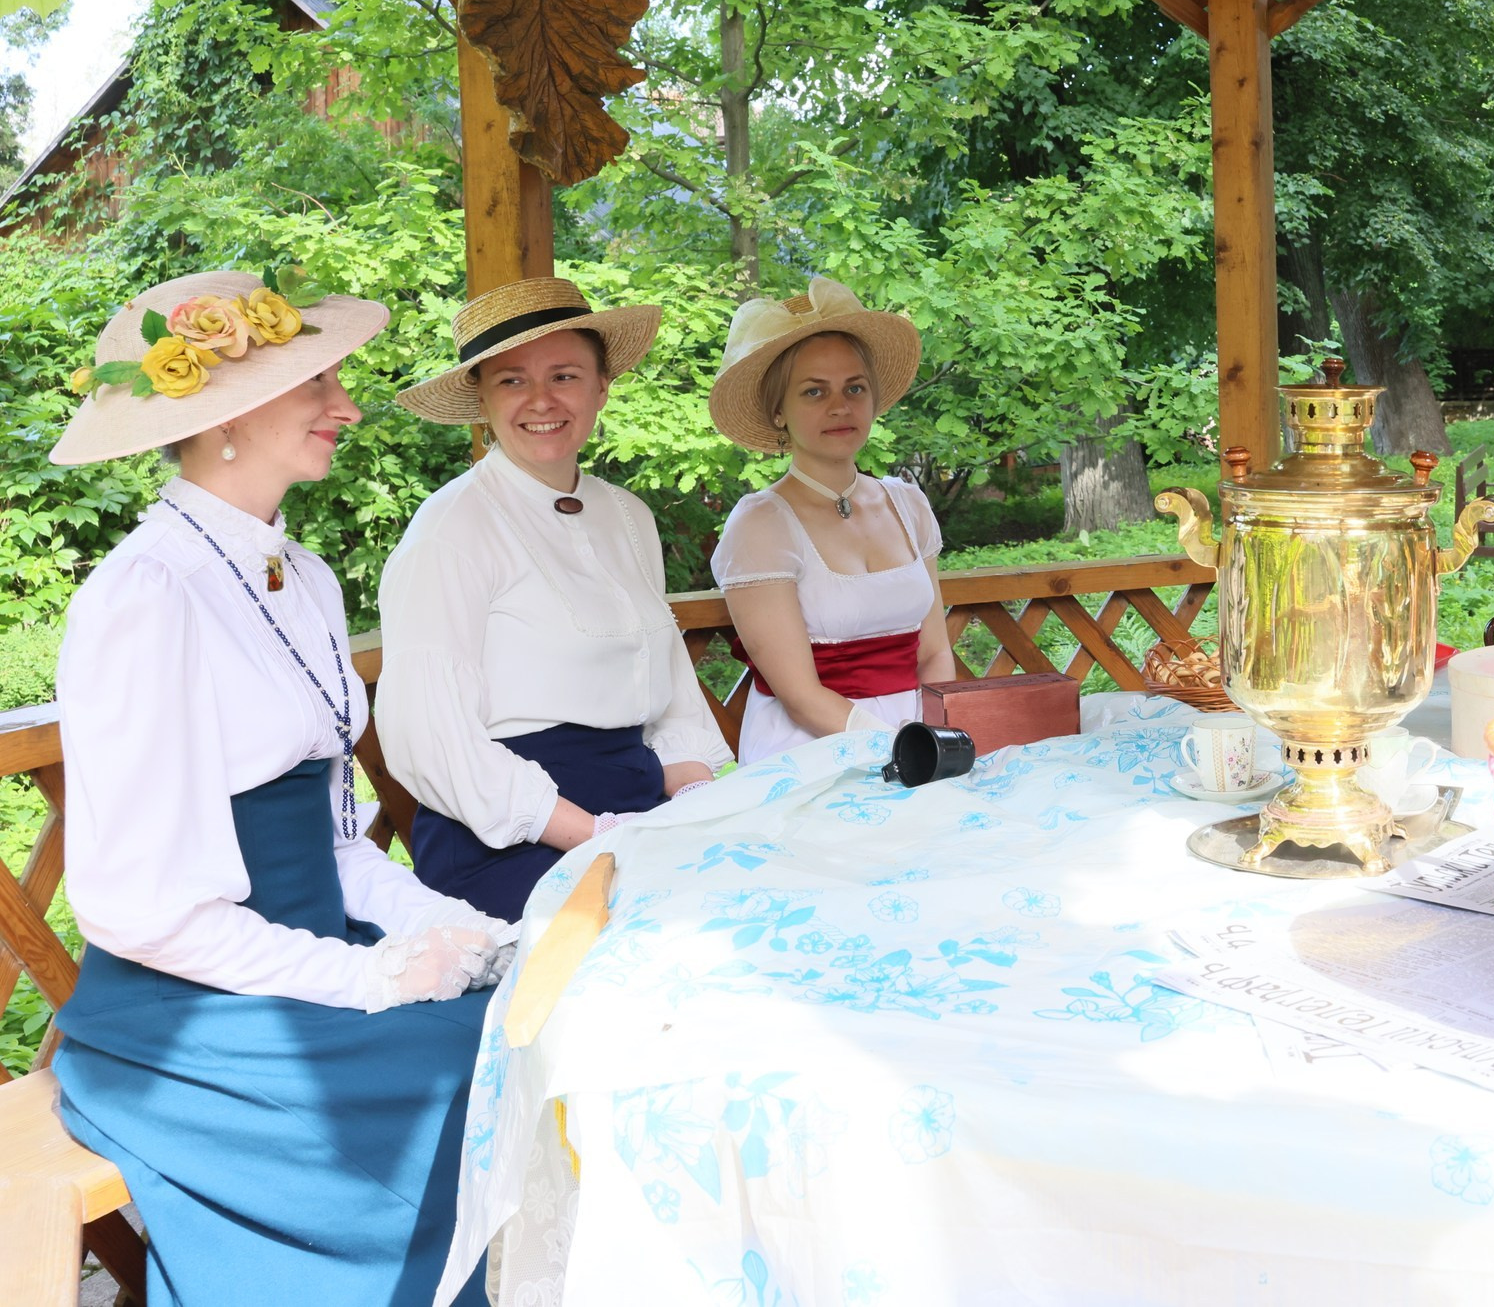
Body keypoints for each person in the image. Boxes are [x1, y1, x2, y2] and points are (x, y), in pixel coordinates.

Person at [45, 268, 507, 1306]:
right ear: (227, 418)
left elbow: (341, 846)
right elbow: (142, 910)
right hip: (183, 1008)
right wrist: (378, 981)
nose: (346, 406)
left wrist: (466, 928)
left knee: (512, 1015)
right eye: (318, 385)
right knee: (452, 1079)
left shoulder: (304, 577)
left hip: (305, 960)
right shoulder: (141, 597)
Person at [375, 277, 730, 920]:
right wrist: (600, 839)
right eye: (512, 380)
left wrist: (696, 812)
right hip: (510, 841)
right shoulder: (449, 531)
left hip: (638, 817)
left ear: (601, 387)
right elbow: (431, 741)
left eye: (565, 375)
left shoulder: (628, 516)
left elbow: (671, 695)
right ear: (481, 398)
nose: (541, 400)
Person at [705, 277, 955, 763]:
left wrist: (935, 741)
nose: (840, 407)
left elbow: (934, 654)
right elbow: (800, 697)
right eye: (814, 392)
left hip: (921, 738)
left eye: (854, 388)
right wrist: (895, 749)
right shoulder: (761, 525)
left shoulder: (907, 505)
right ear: (779, 411)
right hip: (813, 750)